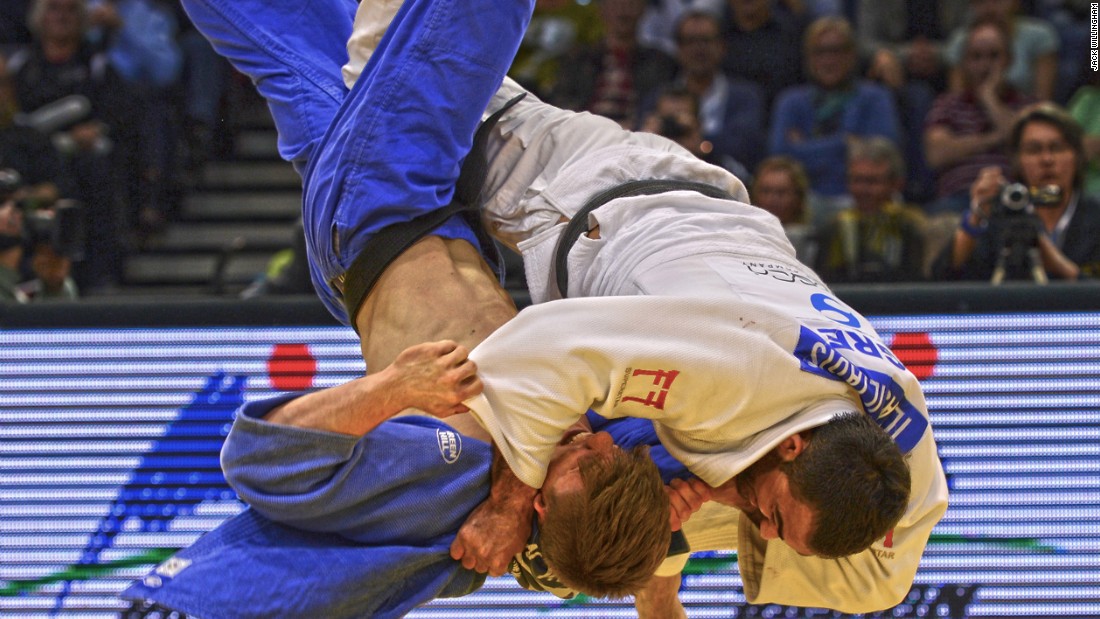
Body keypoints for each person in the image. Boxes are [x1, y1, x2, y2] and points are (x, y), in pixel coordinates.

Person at [185, 0, 947, 612]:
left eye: (584, 462)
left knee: (353, 48)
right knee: (327, 51)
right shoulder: (732, 388)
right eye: (770, 516)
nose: (754, 523)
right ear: (793, 447)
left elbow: (259, 457)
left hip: (388, 219)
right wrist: (539, 514)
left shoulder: (454, 482)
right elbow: (551, 353)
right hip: (570, 198)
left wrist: (398, 400)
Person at [121, 340, 685, 618]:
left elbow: (257, 456)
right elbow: (256, 458)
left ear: (542, 507)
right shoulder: (468, 515)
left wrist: (396, 387)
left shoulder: (442, 496)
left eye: (589, 458)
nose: (594, 439)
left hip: (205, 604)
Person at [932, 102, 1100, 281]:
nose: (1046, 159)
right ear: (1017, 161)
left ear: (1077, 156)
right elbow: (943, 282)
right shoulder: (1002, 216)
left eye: (1056, 148)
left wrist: (1058, 265)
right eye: (1033, 150)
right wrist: (976, 215)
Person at [767, 16, 902, 223]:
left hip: (860, 199)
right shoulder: (790, 101)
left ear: (852, 55)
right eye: (820, 52)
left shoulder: (875, 97)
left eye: (837, 51)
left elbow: (883, 158)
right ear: (808, 58)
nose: (828, 60)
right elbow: (781, 159)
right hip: (806, 202)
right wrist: (845, 143)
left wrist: (803, 148)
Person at [924, 16, 1034, 216]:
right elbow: (937, 154)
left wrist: (989, 98)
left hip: (1011, 199)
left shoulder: (1028, 106)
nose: (985, 66)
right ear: (964, 63)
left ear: (1009, 60)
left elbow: (1024, 147)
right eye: (976, 57)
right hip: (957, 201)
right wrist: (993, 138)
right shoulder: (947, 104)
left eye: (993, 56)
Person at [546, 0, 677, 129]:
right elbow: (561, 103)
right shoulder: (576, 60)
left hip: (640, 138)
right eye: (615, 3)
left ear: (643, 10)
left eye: (631, 3)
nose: (624, 11)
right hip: (585, 136)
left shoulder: (661, 62)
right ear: (601, 9)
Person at [815, 136, 927, 283]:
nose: (863, 190)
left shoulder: (913, 227)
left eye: (872, 182)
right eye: (857, 180)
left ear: (896, 184)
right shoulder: (833, 229)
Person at [750, 155, 817, 265]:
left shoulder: (815, 242)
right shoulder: (742, 236)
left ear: (798, 197)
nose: (771, 199)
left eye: (781, 193)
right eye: (765, 191)